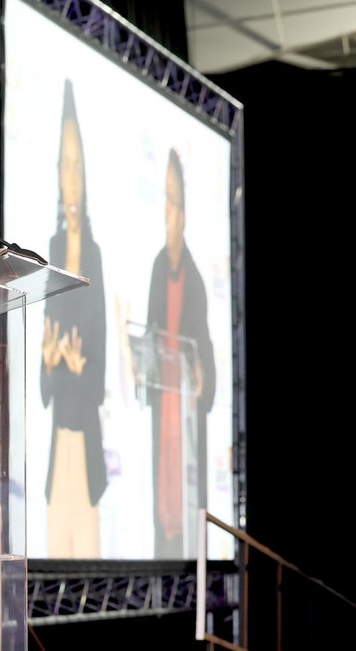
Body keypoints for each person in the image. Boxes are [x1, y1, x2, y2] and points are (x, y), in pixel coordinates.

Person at [39, 80, 107, 558]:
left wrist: (79, 366)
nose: (71, 176)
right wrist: (50, 361)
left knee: (86, 544)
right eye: (64, 165)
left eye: (77, 165)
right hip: (57, 435)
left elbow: (97, 356)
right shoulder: (53, 247)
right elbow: (49, 343)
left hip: (87, 435)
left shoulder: (96, 254)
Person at [145, 148, 216, 558]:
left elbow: (204, 350)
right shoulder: (157, 266)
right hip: (162, 411)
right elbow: (150, 335)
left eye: (174, 202)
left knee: (186, 515)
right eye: (165, 201)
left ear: (185, 214)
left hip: (186, 416)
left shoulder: (197, 279)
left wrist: (202, 377)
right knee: (161, 512)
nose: (168, 212)